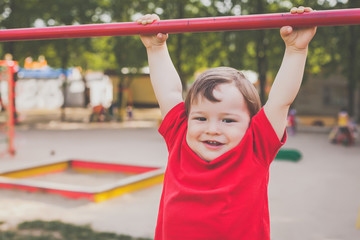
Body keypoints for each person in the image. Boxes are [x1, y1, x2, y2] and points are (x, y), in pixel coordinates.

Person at [137, 6, 317, 240]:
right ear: (187, 118)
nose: (212, 129)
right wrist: (156, 48)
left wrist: (295, 50)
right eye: (201, 118)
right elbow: (169, 93)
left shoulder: (256, 146)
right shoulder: (180, 137)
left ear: (252, 123)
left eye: (228, 120)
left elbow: (281, 101)